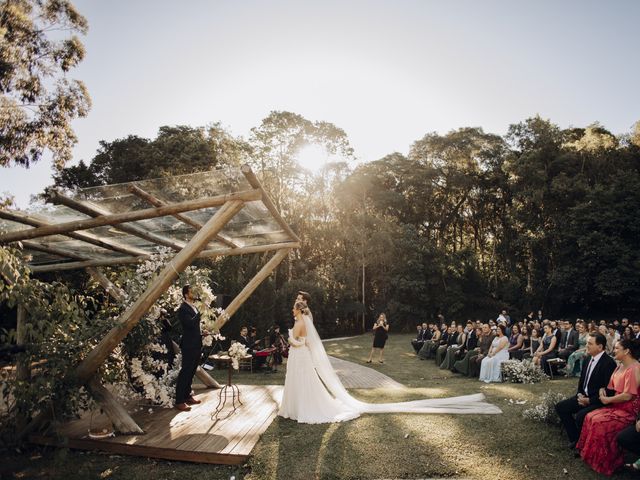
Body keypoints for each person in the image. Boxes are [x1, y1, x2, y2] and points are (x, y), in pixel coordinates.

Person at [278, 300, 501, 423]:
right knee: (305, 382)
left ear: (299, 310)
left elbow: (302, 343)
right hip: (301, 359)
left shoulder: (300, 324)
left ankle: (301, 408)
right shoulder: (303, 322)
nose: (292, 310)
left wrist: (290, 339)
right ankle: (298, 406)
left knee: (305, 382)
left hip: (300, 357)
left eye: (294, 307)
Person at [576, 339, 640, 475]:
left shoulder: (635, 368)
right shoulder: (619, 366)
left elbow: (628, 396)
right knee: (590, 416)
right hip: (616, 406)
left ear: (627, 351)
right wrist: (601, 391)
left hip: (629, 410)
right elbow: (609, 387)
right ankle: (593, 458)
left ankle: (608, 462)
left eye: (617, 348)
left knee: (601, 423)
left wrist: (607, 399)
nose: (613, 350)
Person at [555, 333, 617, 448]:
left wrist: (589, 400)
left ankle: (584, 443)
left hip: (598, 401)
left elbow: (609, 392)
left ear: (600, 347)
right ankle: (576, 439)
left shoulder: (608, 363)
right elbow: (582, 380)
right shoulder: (588, 358)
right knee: (561, 407)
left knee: (581, 416)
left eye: (590, 343)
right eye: (587, 343)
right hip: (583, 396)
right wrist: (579, 394)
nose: (586, 346)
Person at [174, 285, 205, 412]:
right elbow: (189, 324)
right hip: (188, 345)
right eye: (192, 291)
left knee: (192, 371)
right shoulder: (183, 308)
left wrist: (203, 332)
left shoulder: (194, 307)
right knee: (185, 371)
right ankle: (179, 401)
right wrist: (200, 314)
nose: (194, 293)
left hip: (196, 343)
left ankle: (187, 396)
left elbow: (195, 327)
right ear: (186, 294)